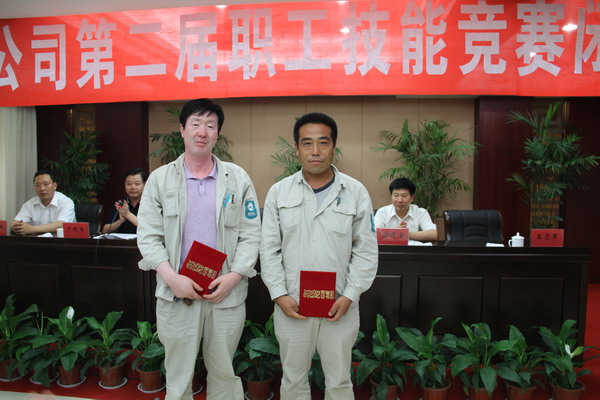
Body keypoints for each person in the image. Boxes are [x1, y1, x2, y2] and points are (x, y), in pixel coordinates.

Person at [136, 99, 261, 400]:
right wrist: (172, 278)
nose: (202, 131)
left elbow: (252, 234)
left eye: (210, 125)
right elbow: (148, 236)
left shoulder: (238, 178)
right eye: (195, 123)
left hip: (225, 293)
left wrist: (233, 276)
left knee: (224, 373)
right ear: (182, 129)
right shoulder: (160, 179)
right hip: (177, 294)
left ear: (218, 133)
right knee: (178, 376)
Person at [260, 112, 378, 400]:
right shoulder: (279, 193)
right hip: (292, 304)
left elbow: (366, 251)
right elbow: (268, 249)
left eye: (323, 143)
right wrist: (279, 294)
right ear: (296, 148)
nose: (315, 151)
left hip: (339, 306)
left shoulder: (356, 193)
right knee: (293, 379)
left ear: (334, 146)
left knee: (339, 381)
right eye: (307, 143)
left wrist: (350, 295)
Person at [10, 170, 75, 235]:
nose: (42, 188)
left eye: (46, 184)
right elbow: (13, 224)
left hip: (62, 240)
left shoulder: (66, 202)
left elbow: (61, 224)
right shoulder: (30, 204)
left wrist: (32, 229)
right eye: (37, 185)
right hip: (38, 240)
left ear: (54, 186)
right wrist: (18, 227)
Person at [373, 177, 438, 242]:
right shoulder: (382, 212)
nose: (399, 200)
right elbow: (373, 234)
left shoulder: (420, 212)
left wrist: (405, 234)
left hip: (413, 248)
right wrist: (396, 233)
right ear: (391, 196)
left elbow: (433, 234)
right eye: (396, 195)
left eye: (404, 196)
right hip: (389, 248)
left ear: (412, 198)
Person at [102, 168, 147, 234]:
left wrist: (127, 214)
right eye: (129, 184)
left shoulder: (150, 204)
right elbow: (105, 230)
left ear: (145, 184)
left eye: (137, 184)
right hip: (123, 240)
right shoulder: (121, 204)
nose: (133, 187)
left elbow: (148, 228)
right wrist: (120, 221)